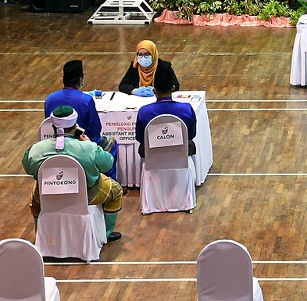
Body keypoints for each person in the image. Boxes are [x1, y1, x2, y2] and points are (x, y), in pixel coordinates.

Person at [23, 105, 123, 242]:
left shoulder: (36, 150)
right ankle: (104, 234)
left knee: (35, 201)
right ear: (75, 126)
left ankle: (42, 238)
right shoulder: (89, 148)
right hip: (86, 196)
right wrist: (91, 144)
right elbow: (108, 164)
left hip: (47, 197)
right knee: (116, 191)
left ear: (53, 126)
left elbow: (28, 168)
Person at [44, 60, 117, 177]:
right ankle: (109, 181)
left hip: (54, 144)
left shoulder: (50, 99)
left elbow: (47, 124)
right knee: (111, 143)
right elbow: (95, 132)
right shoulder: (86, 100)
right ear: (80, 79)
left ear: (64, 79)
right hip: (81, 146)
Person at [136, 64, 198, 158]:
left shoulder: (143, 112)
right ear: (173, 88)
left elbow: (140, 138)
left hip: (154, 158)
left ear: (154, 90)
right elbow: (191, 134)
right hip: (180, 157)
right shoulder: (186, 109)